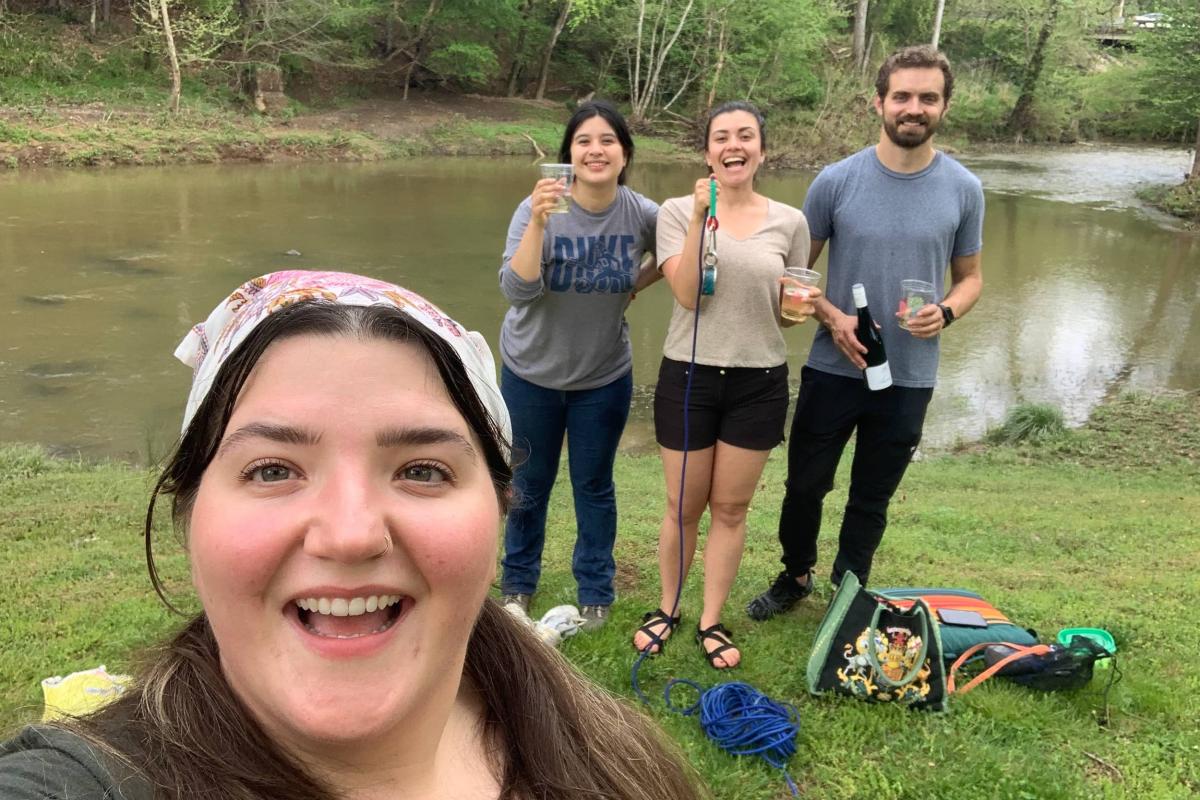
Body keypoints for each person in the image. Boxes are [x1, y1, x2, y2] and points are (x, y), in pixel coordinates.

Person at [0, 271, 704, 800]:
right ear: (190, 515)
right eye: (273, 469)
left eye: (422, 471)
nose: (349, 534)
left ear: (499, 512)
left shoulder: (619, 764)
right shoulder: (86, 781)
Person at [746, 45, 985, 621]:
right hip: (834, 367)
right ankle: (795, 574)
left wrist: (946, 312)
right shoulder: (835, 181)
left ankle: (848, 591)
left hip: (910, 374)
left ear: (944, 107)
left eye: (928, 98)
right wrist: (831, 316)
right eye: (902, 95)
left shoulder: (964, 188)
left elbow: (971, 279)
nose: (914, 107)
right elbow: (796, 278)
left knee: (871, 496)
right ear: (879, 101)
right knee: (805, 485)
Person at [631, 102, 818, 669]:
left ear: (762, 149)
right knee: (681, 506)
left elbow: (786, 314)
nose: (733, 146)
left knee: (731, 509)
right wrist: (697, 218)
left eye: (746, 136)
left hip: (759, 380)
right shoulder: (673, 212)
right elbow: (687, 293)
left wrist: (797, 311)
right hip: (688, 376)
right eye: (721, 137)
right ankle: (667, 608)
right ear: (707, 151)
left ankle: (712, 618)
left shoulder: (791, 222)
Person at [498, 100, 660, 629]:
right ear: (569, 153)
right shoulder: (536, 208)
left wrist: (636, 284)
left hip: (603, 375)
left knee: (594, 484)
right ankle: (518, 586)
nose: (596, 150)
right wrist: (539, 223)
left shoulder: (641, 214)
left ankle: (595, 591)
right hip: (531, 372)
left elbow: (681, 254)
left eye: (607, 140)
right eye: (584, 141)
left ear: (624, 153)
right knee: (528, 484)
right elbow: (517, 291)